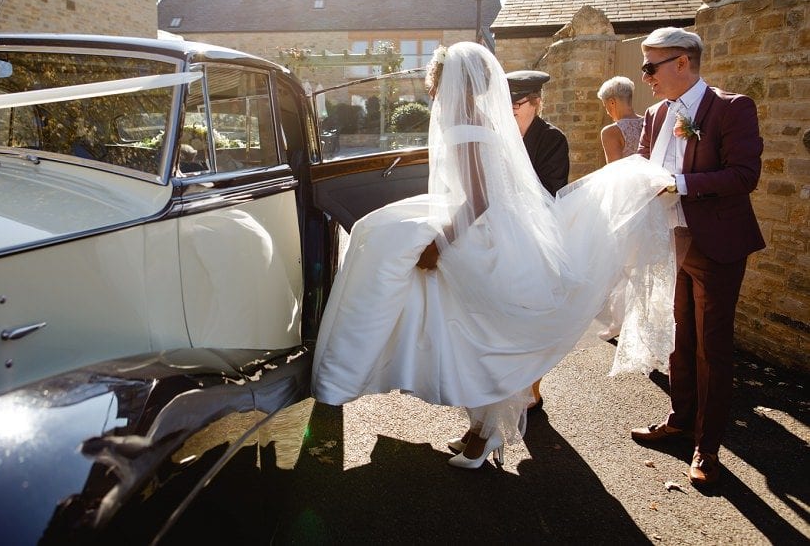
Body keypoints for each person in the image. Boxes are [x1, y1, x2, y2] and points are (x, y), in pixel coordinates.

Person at [312, 42, 677, 470]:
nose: (430, 85)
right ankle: (479, 429)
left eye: (433, 77)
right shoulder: (477, 118)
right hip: (494, 231)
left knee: (479, 338)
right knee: (469, 334)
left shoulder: (463, 123)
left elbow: (479, 197)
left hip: (480, 238)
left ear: (446, 81)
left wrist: (440, 244)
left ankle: (485, 433)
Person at [630, 27, 764, 487]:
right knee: (678, 338)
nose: (645, 76)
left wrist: (681, 185)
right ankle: (679, 421)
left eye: (651, 66)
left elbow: (745, 175)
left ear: (682, 62)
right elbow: (645, 167)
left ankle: (707, 448)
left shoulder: (732, 108)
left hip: (716, 244)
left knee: (713, 348)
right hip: (672, 241)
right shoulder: (653, 114)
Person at [506, 69, 571, 411]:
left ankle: (532, 390)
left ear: (536, 103)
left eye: (517, 102)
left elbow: (552, 189)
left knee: (535, 314)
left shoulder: (552, 139)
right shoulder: (499, 135)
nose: (511, 108)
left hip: (537, 235)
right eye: (507, 102)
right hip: (501, 234)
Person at [595, 76, 644, 341]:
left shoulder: (611, 132)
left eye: (605, 104)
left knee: (622, 264)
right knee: (645, 264)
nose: (606, 109)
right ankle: (641, 323)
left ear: (612, 102)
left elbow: (617, 173)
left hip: (626, 203)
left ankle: (619, 323)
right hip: (653, 200)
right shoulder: (651, 123)